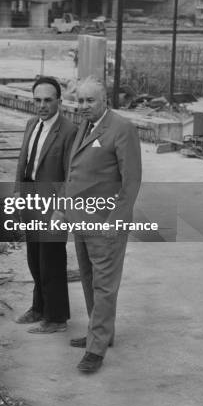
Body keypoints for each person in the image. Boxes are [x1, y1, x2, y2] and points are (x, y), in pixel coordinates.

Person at [60, 77, 141, 373]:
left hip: (106, 223)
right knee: (89, 278)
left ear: (104, 100)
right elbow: (74, 173)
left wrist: (115, 221)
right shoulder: (85, 125)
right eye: (79, 100)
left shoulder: (122, 129)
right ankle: (101, 332)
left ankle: (96, 349)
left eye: (89, 100)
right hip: (81, 219)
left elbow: (131, 181)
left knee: (105, 285)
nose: (83, 106)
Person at [14, 76, 77, 333]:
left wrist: (61, 210)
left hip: (52, 207)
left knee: (51, 261)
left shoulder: (69, 131)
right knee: (34, 259)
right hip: (31, 200)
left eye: (48, 100)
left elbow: (69, 175)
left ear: (59, 102)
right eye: (37, 100)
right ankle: (39, 307)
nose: (42, 105)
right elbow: (23, 162)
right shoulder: (32, 124)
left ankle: (57, 317)